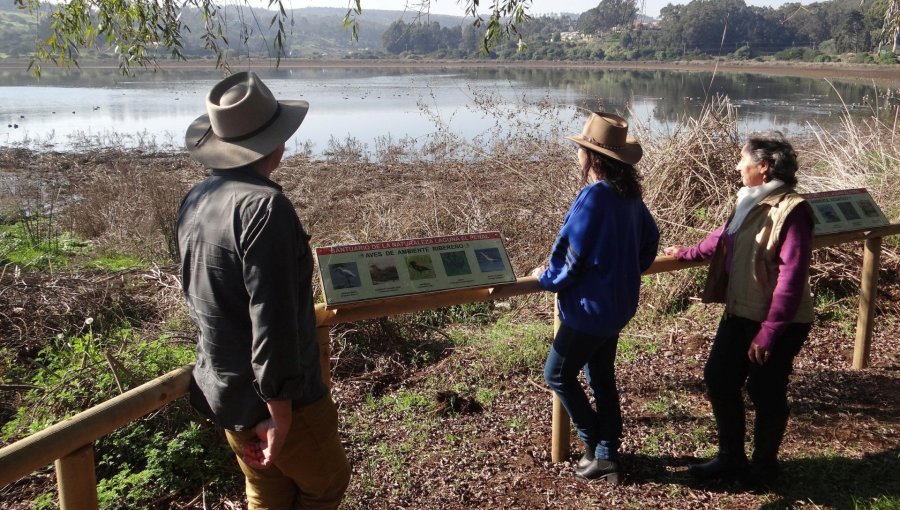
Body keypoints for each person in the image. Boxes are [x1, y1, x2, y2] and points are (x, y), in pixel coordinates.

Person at [176, 71, 350, 509]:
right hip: (282, 400)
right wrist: (281, 415)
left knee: (267, 492)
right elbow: (271, 318)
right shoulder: (265, 207)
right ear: (277, 142)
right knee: (325, 485)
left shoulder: (198, 198)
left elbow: (198, 295)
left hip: (225, 390)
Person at [663, 131, 814, 486]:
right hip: (740, 311)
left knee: (765, 390)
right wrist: (684, 253)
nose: (736, 165)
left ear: (763, 166)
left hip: (778, 322)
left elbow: (792, 276)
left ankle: (764, 470)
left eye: (742, 159)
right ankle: (731, 458)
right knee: (719, 378)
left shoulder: (792, 211)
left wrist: (770, 331)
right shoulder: (749, 201)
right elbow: (722, 238)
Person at [533, 112, 660, 483]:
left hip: (590, 311)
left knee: (557, 373)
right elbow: (650, 240)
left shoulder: (595, 196)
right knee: (601, 376)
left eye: (580, 150)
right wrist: (627, 269)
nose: (577, 155)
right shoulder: (629, 195)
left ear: (592, 157)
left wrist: (547, 279)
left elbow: (571, 251)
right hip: (619, 305)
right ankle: (607, 454)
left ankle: (593, 443)